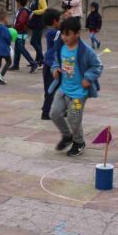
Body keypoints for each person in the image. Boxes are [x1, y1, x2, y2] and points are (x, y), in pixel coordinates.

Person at [50, 16, 103, 157]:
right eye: (62, 34)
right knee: (54, 113)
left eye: (68, 34)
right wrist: (55, 69)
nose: (64, 37)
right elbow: (55, 61)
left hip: (79, 93)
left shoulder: (85, 50)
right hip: (63, 89)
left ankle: (79, 142)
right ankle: (67, 136)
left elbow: (97, 66)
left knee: (74, 117)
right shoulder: (61, 47)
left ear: (77, 33)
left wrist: (88, 78)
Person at [41, 8, 62, 120]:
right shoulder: (54, 33)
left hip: (48, 64)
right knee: (52, 89)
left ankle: (49, 109)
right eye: (60, 20)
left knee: (51, 89)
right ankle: (46, 111)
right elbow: (64, 33)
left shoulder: (50, 32)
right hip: (52, 65)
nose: (61, 22)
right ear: (55, 21)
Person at [11, 0, 38, 73]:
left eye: (16, 2)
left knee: (21, 48)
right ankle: (15, 65)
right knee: (17, 48)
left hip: (21, 32)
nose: (16, 4)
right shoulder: (23, 10)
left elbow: (21, 22)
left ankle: (33, 63)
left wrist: (14, 27)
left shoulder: (23, 11)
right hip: (20, 31)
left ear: (19, 2)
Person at [27, 0, 47, 66]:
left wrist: (34, 12)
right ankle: (38, 61)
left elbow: (45, 9)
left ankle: (42, 59)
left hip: (39, 22)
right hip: (35, 22)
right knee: (38, 42)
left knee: (33, 42)